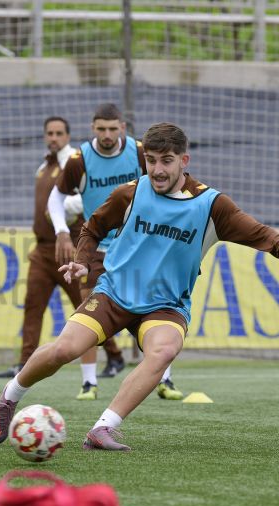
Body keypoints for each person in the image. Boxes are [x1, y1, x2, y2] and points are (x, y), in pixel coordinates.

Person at [0, 122, 279, 449]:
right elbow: (92, 227)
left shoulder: (211, 205)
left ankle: (103, 428)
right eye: (152, 160)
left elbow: (256, 231)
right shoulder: (130, 192)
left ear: (184, 161)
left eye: (167, 161)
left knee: (164, 351)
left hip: (166, 305)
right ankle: (10, 396)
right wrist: (83, 260)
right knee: (64, 349)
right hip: (115, 293)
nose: (157, 169)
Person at [47, 103, 181, 401]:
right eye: (101, 128)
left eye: (112, 128)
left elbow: (167, 187)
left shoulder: (139, 152)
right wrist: (60, 231)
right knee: (88, 311)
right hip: (95, 247)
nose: (107, 134)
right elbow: (55, 198)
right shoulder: (79, 159)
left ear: (122, 127)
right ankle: (89, 383)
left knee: (152, 311)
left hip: (137, 247)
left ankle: (165, 380)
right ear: (93, 128)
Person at [0, 117, 85, 379]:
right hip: (42, 250)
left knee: (86, 304)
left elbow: (83, 198)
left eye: (58, 133)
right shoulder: (44, 165)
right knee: (33, 304)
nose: (54, 137)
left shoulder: (74, 162)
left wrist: (61, 212)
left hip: (68, 247)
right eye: (50, 133)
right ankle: (25, 362)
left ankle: (113, 355)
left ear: (68, 136)